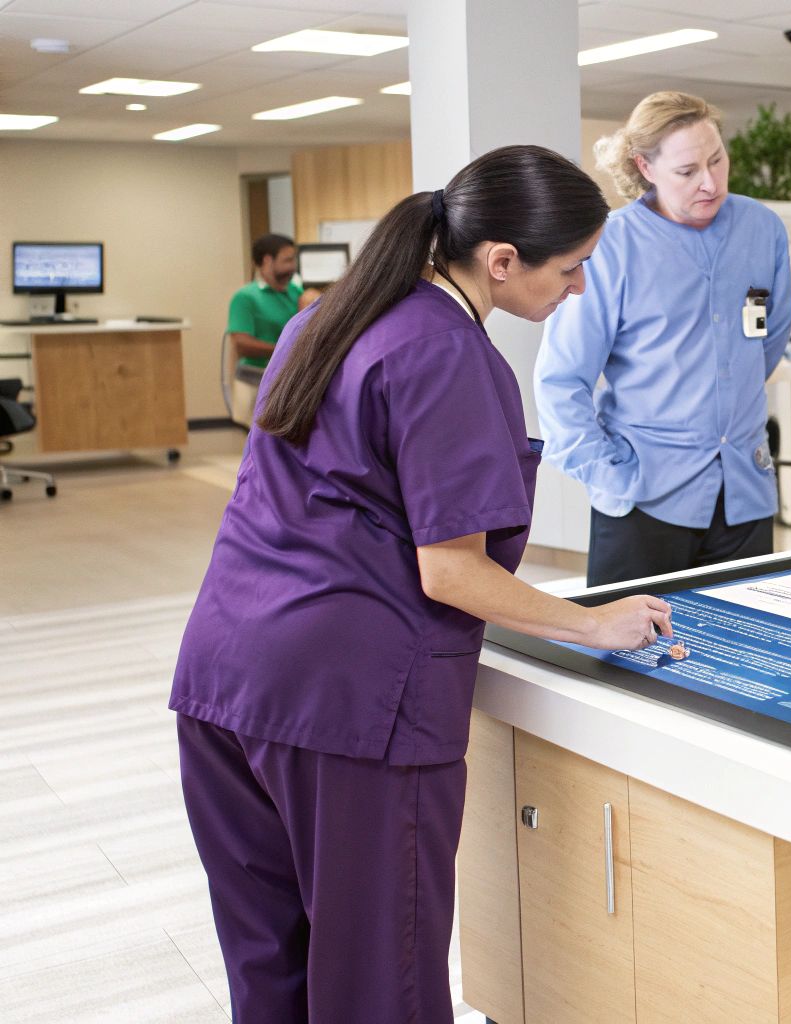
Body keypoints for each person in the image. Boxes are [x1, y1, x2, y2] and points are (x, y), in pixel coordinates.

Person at [170, 145, 675, 1023]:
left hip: (226, 677)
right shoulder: (450, 354)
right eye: (573, 268)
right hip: (349, 708)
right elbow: (448, 571)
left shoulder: (324, 319)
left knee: (270, 966)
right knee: (380, 986)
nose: (580, 289)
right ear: (502, 260)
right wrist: (593, 624)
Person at [536, 91, 791, 588]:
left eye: (717, 160)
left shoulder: (762, 230)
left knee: (745, 652)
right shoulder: (608, 245)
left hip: (744, 492)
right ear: (645, 167)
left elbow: (767, 340)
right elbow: (561, 380)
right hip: (645, 500)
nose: (710, 181)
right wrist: (609, 474)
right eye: (687, 170)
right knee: (632, 657)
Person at [227, 233, 303, 369]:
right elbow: (241, 344)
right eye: (287, 260)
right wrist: (287, 350)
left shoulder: (295, 292)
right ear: (267, 260)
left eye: (293, 260)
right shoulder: (244, 297)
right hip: (255, 378)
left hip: (289, 374)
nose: (293, 267)